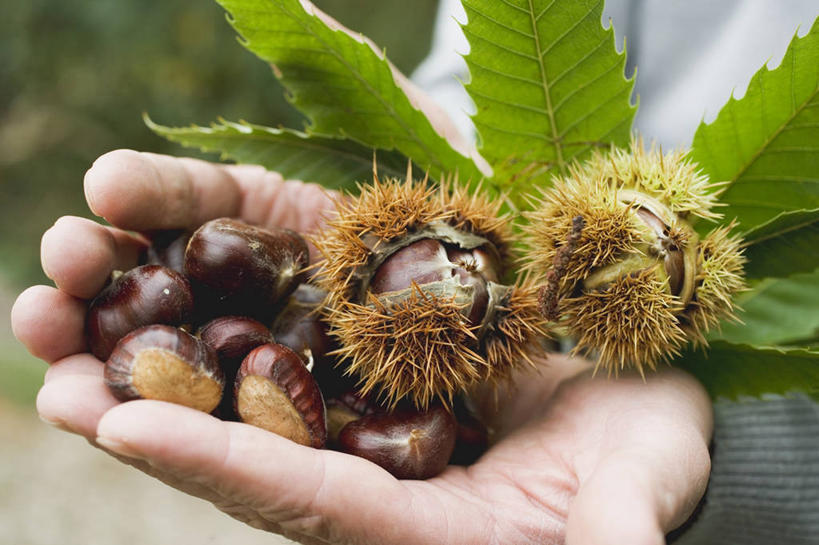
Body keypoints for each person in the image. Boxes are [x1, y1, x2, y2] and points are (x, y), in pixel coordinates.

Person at [10, 1, 818, 544]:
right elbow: (467, 81)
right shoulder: (471, 272)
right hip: (554, 196)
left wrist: (745, 447)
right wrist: (457, 142)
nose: (466, 272)